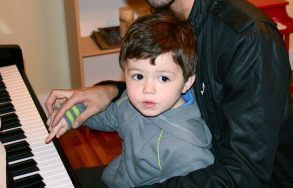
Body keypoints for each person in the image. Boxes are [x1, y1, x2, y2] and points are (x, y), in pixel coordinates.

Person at [46, 0, 293, 187]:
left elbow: (244, 174)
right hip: (181, 169)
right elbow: (170, 83)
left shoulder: (248, 38)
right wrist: (108, 93)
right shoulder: (162, 14)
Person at [45, 10, 214, 187]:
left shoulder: (186, 147)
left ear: (187, 83)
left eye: (163, 78)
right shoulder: (133, 103)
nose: (147, 89)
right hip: (116, 176)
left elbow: (200, 182)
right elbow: (110, 116)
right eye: (138, 76)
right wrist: (72, 112)